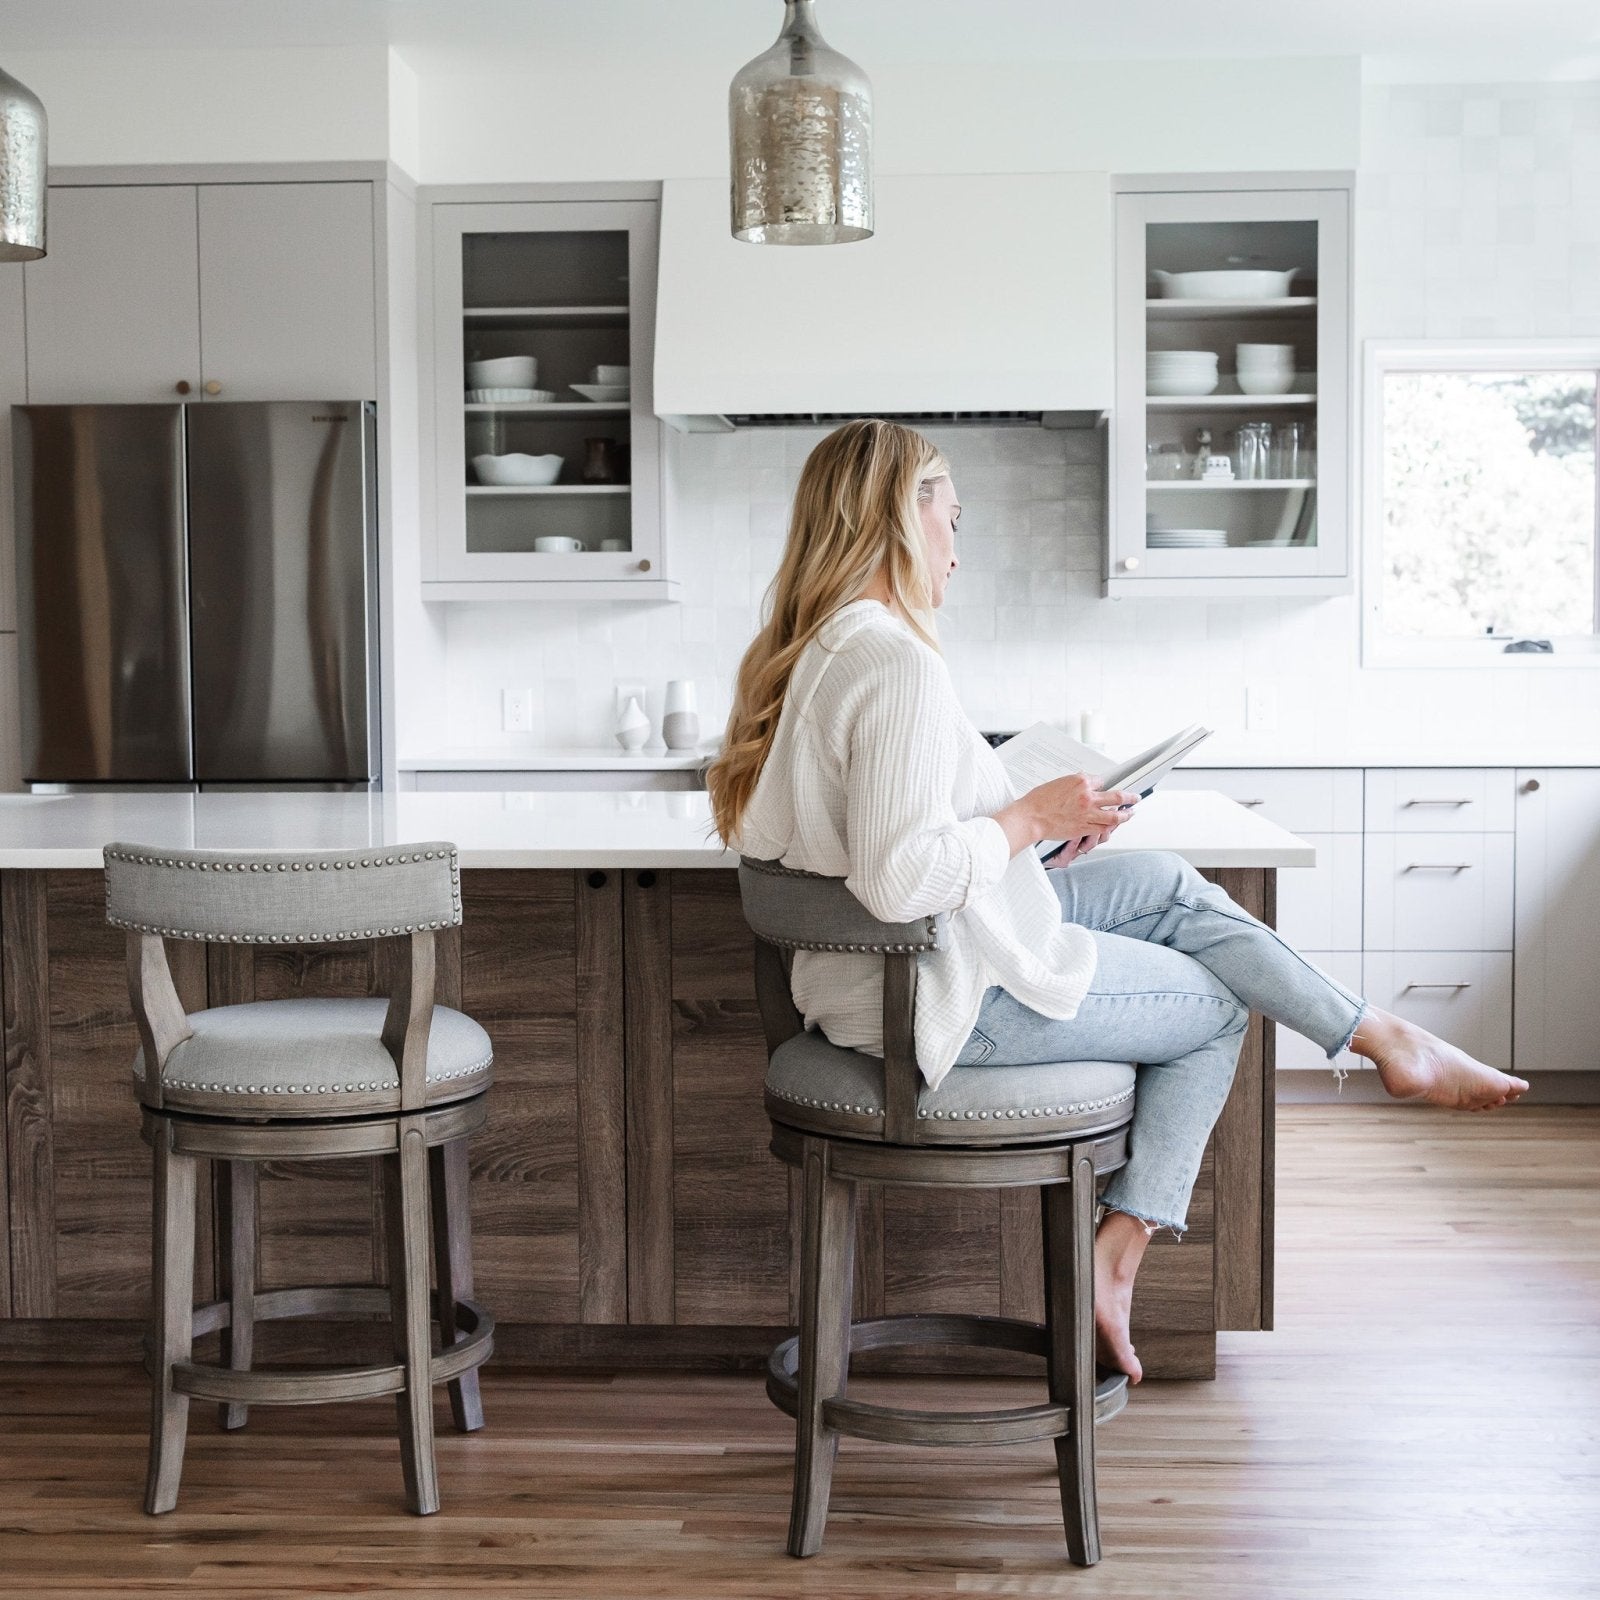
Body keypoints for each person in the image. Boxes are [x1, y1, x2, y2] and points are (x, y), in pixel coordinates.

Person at [705, 418, 1529, 1384]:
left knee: (1172, 884)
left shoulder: (815, 649)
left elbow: (892, 844)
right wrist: (1023, 819)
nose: (959, 552)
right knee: (1219, 1001)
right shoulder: (892, 662)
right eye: (952, 519)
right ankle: (1120, 1252)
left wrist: (1040, 834)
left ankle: (1379, 1035)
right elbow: (899, 881)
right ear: (900, 515)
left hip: (882, 973)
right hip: (930, 1001)